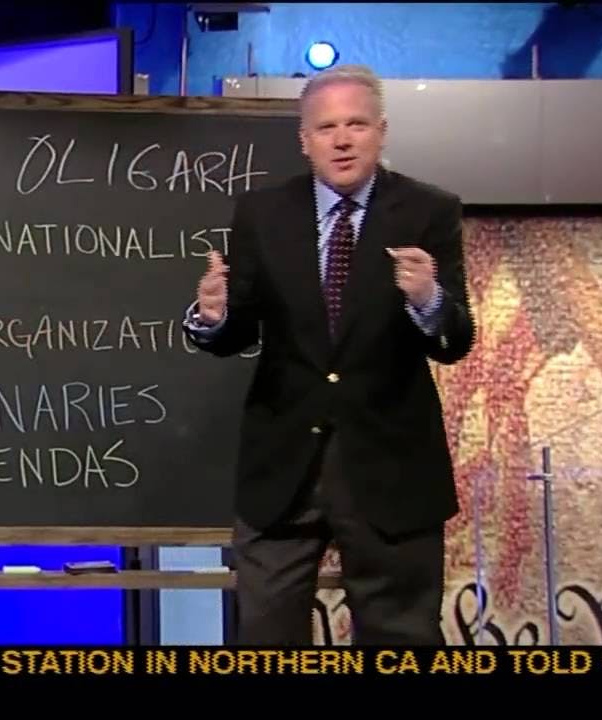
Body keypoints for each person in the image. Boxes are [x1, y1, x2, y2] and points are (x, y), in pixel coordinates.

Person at [183, 64, 475, 646]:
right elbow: (238, 329)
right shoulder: (262, 213)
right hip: (283, 468)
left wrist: (428, 299)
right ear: (305, 140)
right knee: (264, 637)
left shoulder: (429, 211)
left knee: (401, 639)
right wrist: (212, 319)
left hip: (391, 469)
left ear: (381, 132)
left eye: (356, 125)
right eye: (327, 128)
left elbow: (454, 342)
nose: (342, 140)